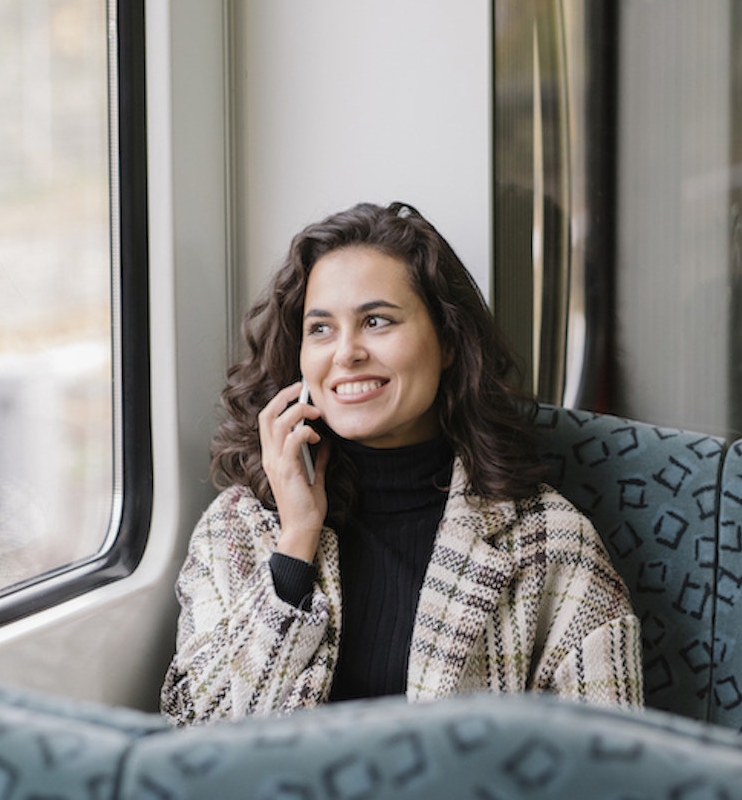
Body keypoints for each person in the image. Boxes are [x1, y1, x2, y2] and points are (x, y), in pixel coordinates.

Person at [160, 201, 643, 723]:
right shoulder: (236, 529)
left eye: (376, 321)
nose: (346, 353)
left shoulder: (550, 543)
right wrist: (295, 544)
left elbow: (611, 770)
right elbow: (200, 748)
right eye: (320, 329)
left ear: (449, 341)